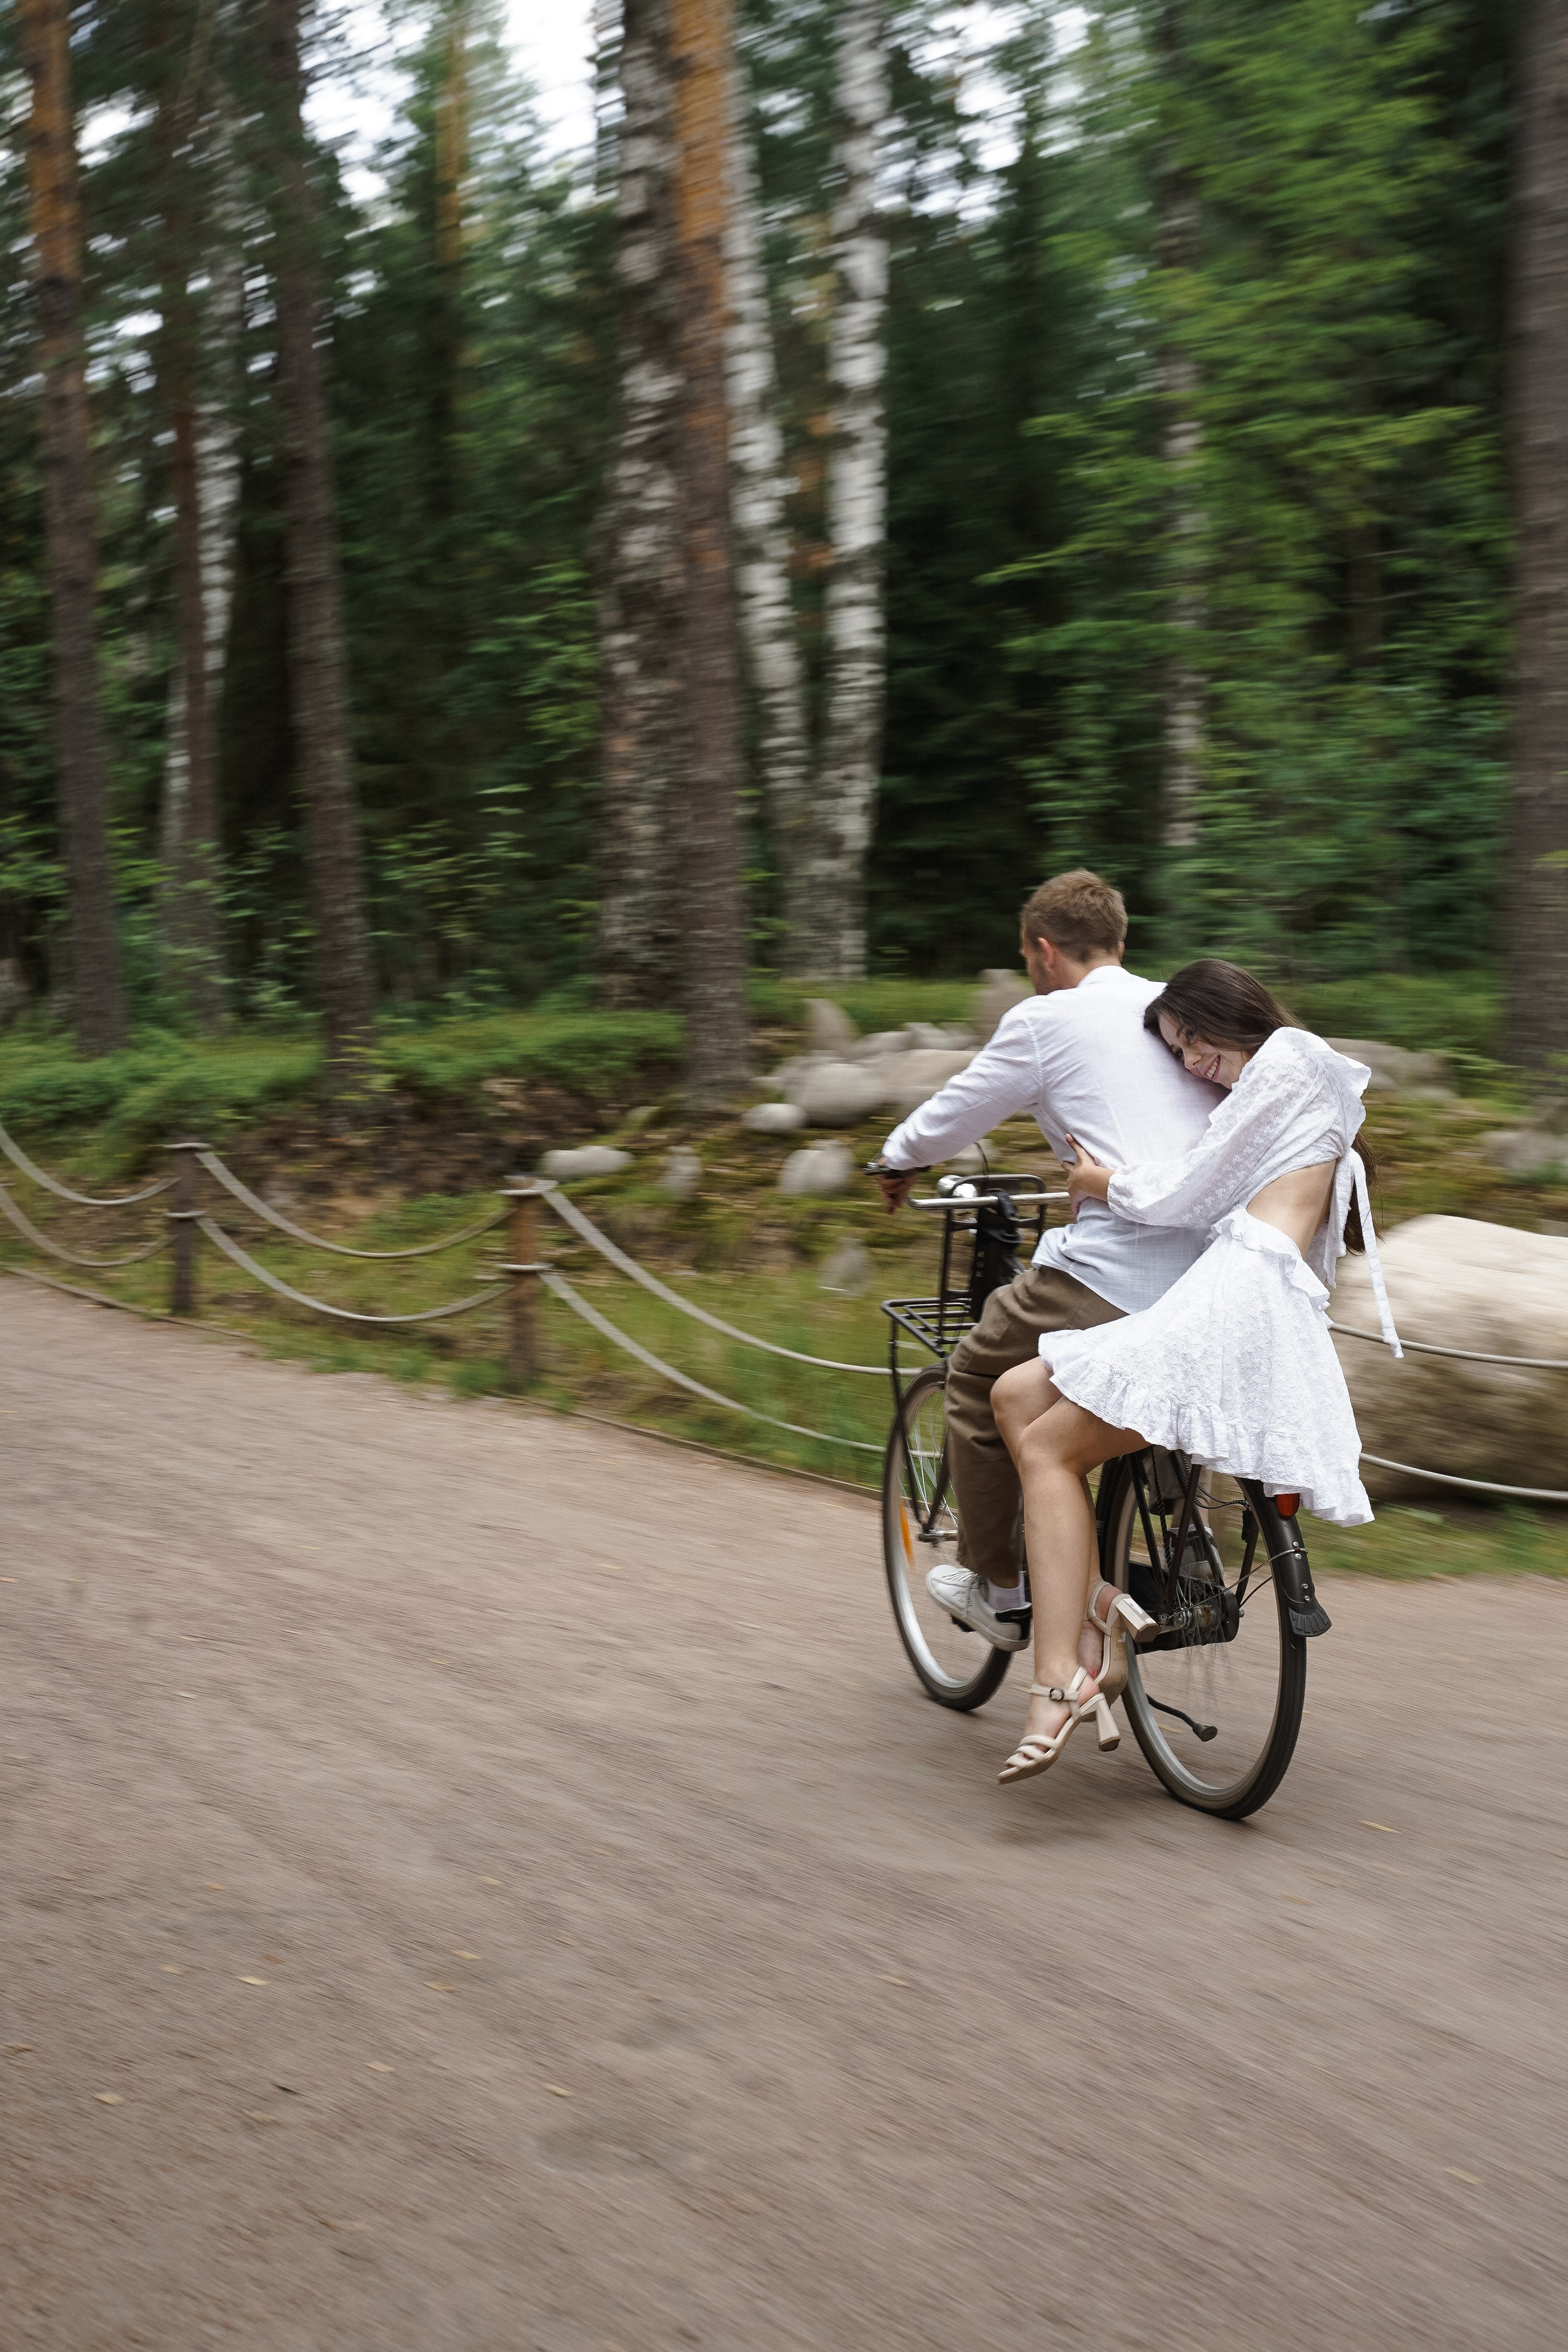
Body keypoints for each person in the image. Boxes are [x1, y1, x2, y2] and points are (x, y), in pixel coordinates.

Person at [987, 957, 1403, 1787]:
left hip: (1232, 1309)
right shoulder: (1290, 1081)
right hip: (1222, 1299)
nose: (1188, 1063)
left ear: (1226, 1011)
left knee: (1047, 1452)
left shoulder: (1287, 1061)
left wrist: (1095, 1180)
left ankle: (1054, 1679)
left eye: (1190, 1041)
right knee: (1013, 1394)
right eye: (1176, 1052)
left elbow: (1189, 1189)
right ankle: (1102, 1602)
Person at [871, 869, 1222, 1666]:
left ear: (1042, 951)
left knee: (973, 1379)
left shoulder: (1044, 1019)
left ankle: (999, 1588)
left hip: (1116, 1266)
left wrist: (897, 1159)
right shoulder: (1180, 1005)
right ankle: (1185, 1532)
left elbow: (959, 1110)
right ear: (1121, 943)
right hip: (1214, 1264)